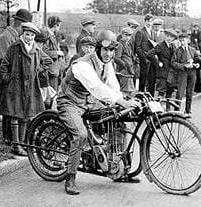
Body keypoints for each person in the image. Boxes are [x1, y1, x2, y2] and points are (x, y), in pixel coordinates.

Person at [57, 30, 141, 195]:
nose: (108, 54)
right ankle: (70, 178)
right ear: (97, 49)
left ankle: (117, 168)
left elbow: (113, 86)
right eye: (105, 50)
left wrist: (122, 102)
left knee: (118, 118)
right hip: (70, 102)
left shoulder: (107, 63)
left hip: (89, 102)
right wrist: (122, 101)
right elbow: (97, 87)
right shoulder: (82, 65)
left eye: (111, 50)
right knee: (80, 135)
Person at [0, 22, 52, 155]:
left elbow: (48, 62)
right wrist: (8, 79)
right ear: (23, 34)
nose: (29, 38)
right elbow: (4, 66)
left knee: (24, 117)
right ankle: (15, 145)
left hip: (29, 88)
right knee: (15, 116)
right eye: (27, 34)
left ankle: (22, 144)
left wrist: (38, 71)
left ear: (34, 37)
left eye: (32, 35)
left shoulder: (36, 50)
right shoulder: (14, 48)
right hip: (15, 86)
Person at [0, 9, 33, 146]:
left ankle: (13, 139)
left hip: (14, 80)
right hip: (6, 80)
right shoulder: (6, 37)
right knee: (8, 109)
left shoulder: (15, 36)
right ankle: (8, 138)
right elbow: (3, 60)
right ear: (20, 24)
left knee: (12, 109)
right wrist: (9, 78)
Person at [171, 32, 201, 115]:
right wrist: (184, 66)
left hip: (192, 73)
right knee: (180, 93)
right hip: (182, 73)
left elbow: (198, 59)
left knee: (190, 92)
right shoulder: (177, 51)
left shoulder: (192, 50)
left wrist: (197, 64)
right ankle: (176, 111)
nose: (182, 42)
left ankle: (188, 110)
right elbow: (173, 63)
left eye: (183, 40)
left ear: (187, 40)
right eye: (180, 41)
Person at [146, 28, 178, 106]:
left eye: (171, 37)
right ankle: (158, 109)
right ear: (165, 36)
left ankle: (167, 110)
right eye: (167, 36)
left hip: (171, 73)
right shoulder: (160, 45)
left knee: (169, 92)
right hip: (163, 72)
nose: (169, 38)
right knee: (161, 92)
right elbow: (149, 54)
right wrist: (158, 63)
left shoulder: (173, 46)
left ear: (173, 38)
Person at [42, 15, 64, 101]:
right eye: (59, 25)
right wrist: (57, 53)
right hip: (50, 71)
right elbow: (43, 52)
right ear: (56, 25)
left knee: (52, 95)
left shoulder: (52, 36)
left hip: (54, 70)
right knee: (50, 96)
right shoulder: (46, 36)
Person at [135, 13, 157, 96]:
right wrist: (144, 58)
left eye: (151, 21)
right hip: (145, 60)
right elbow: (138, 48)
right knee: (143, 79)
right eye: (148, 21)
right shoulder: (140, 32)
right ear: (145, 21)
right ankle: (140, 97)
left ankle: (151, 97)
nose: (149, 23)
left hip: (153, 59)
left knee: (152, 80)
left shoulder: (153, 32)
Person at [115, 27, 135, 97]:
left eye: (130, 35)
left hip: (129, 71)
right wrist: (125, 65)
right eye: (126, 35)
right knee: (124, 90)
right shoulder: (120, 45)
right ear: (122, 35)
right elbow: (117, 58)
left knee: (130, 91)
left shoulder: (128, 44)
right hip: (123, 71)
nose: (128, 37)